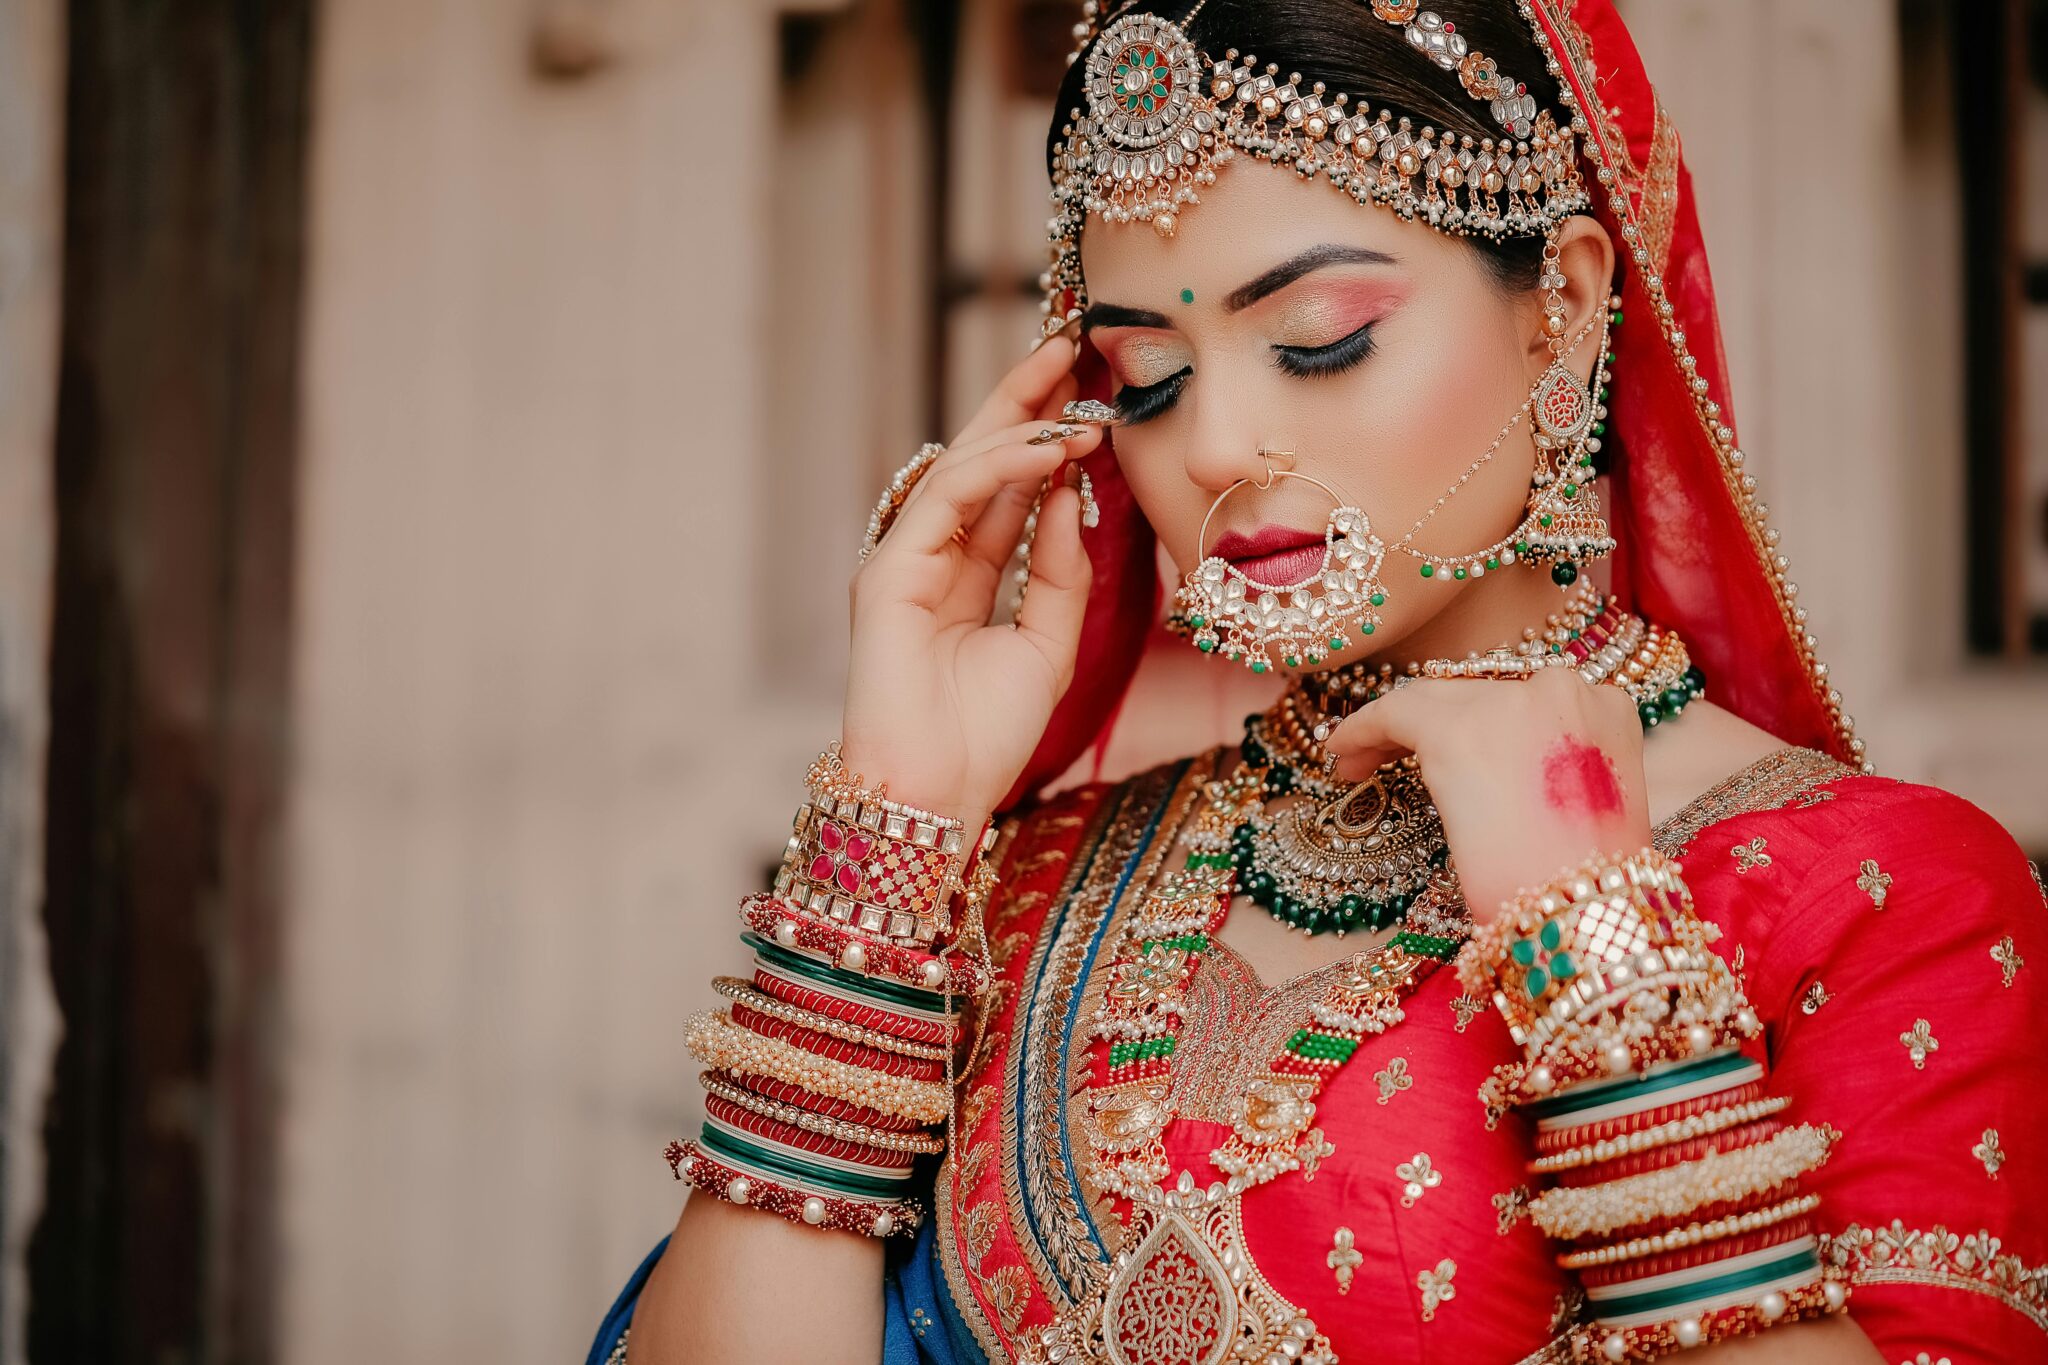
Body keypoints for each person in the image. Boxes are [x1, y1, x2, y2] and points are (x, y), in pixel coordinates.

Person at [589, 2, 2048, 1361]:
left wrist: (1598, 954)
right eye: (1146, 378)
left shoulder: (1880, 898)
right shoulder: (1021, 885)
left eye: (1319, 341)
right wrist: (889, 835)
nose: (1214, 445)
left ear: (1567, 310)